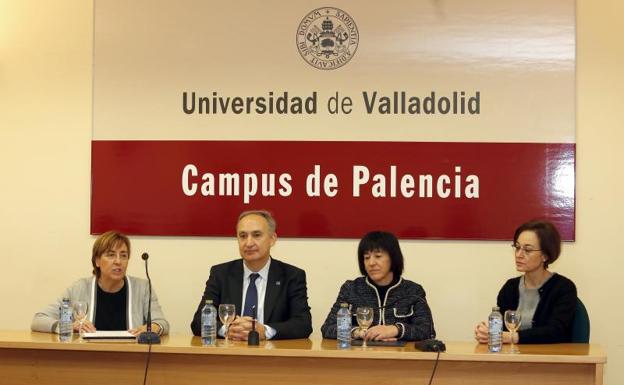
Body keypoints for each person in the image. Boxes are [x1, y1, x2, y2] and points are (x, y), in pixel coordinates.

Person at [190, 210, 312, 340]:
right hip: (229, 354)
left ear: (272, 239)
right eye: (242, 236)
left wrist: (264, 331)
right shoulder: (221, 274)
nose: (248, 243)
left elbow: (303, 324)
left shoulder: (291, 276)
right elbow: (198, 322)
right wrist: (228, 330)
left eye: (257, 235)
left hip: (273, 355)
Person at [31, 231, 169, 336]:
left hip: (131, 361)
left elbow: (162, 323)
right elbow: (39, 319)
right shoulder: (80, 289)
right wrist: (66, 326)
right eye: (111, 255)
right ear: (97, 261)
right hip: (88, 361)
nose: (118, 261)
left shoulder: (142, 288)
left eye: (123, 255)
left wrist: (153, 328)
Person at [474, 220, 577, 344]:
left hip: (550, 359)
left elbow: (555, 331)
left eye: (527, 250)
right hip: (512, 359)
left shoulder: (563, 288)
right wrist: (486, 332)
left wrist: (513, 337)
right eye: (517, 247)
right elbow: (500, 328)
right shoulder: (510, 287)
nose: (519, 254)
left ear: (545, 255)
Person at [321, 231, 435, 342]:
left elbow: (427, 331)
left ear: (393, 258)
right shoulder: (351, 289)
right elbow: (328, 328)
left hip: (400, 358)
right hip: (359, 357)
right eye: (366, 257)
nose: (371, 263)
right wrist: (356, 332)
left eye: (378, 256)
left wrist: (395, 330)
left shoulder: (413, 291)